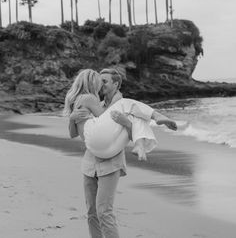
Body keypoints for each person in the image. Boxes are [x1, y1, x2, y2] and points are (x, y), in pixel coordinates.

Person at [65, 68, 177, 238]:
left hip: (111, 163)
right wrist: (72, 118)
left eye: (105, 81)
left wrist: (127, 123)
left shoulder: (122, 107)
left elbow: (130, 136)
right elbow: (73, 133)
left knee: (104, 211)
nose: (100, 84)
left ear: (115, 84)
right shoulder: (97, 104)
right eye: (99, 80)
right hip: (90, 163)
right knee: (91, 212)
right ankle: (155, 115)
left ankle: (154, 121)